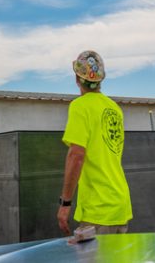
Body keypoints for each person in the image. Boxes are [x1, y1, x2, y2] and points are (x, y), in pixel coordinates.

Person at [57, 50, 132, 241]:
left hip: (98, 210)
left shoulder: (80, 106)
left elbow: (77, 155)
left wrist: (65, 203)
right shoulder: (114, 108)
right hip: (119, 204)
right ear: (100, 80)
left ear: (77, 78)